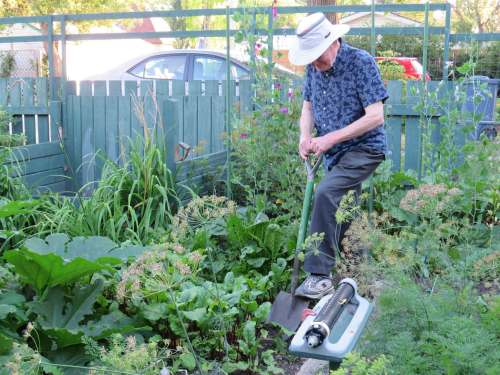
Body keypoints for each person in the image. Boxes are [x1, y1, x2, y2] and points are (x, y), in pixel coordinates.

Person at [288, 12, 388, 299]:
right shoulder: (313, 68)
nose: (316, 64)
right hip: (336, 156)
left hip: (365, 149)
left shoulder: (361, 63)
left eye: (318, 56)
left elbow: (376, 116)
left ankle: (319, 276)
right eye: (311, 59)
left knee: (326, 193)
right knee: (345, 213)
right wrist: (304, 137)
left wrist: (331, 137)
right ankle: (359, 271)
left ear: (334, 42)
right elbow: (307, 107)